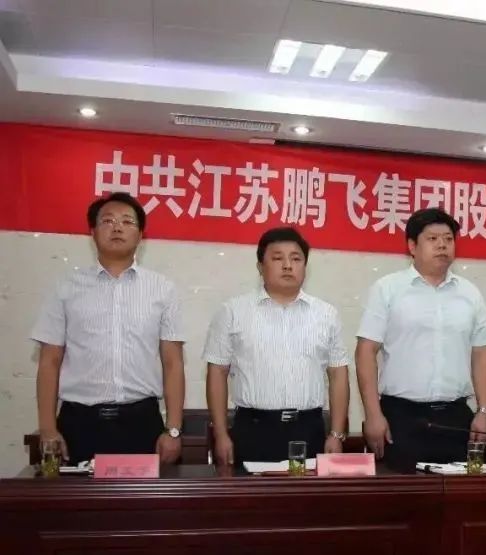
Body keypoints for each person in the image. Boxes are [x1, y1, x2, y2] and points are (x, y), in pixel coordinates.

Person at [31, 192, 185, 465]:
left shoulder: (163, 289)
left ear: (141, 235)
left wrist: (173, 429)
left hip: (141, 423)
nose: (117, 227)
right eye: (108, 221)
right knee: (74, 494)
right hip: (79, 423)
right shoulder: (65, 288)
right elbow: (49, 361)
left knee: (142, 495)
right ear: (92, 233)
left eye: (127, 221)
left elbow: (172, 363)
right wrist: (47, 429)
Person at [356, 208, 486, 471]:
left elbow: (482, 354)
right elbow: (365, 351)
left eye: (448, 239)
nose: (442, 245)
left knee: (460, 493)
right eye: (433, 239)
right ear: (412, 246)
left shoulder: (470, 294)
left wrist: (484, 411)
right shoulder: (388, 289)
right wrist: (373, 415)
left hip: (455, 418)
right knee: (404, 493)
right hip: (401, 417)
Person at [204, 227, 349, 465]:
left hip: (308, 430)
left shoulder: (326, 314)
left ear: (305, 266)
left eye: (296, 259)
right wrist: (220, 434)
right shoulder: (233, 312)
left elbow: (338, 374)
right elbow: (217, 373)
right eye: (278, 258)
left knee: (306, 490)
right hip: (253, 429)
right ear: (260, 267)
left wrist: (336, 434)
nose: (288, 266)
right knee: (251, 490)